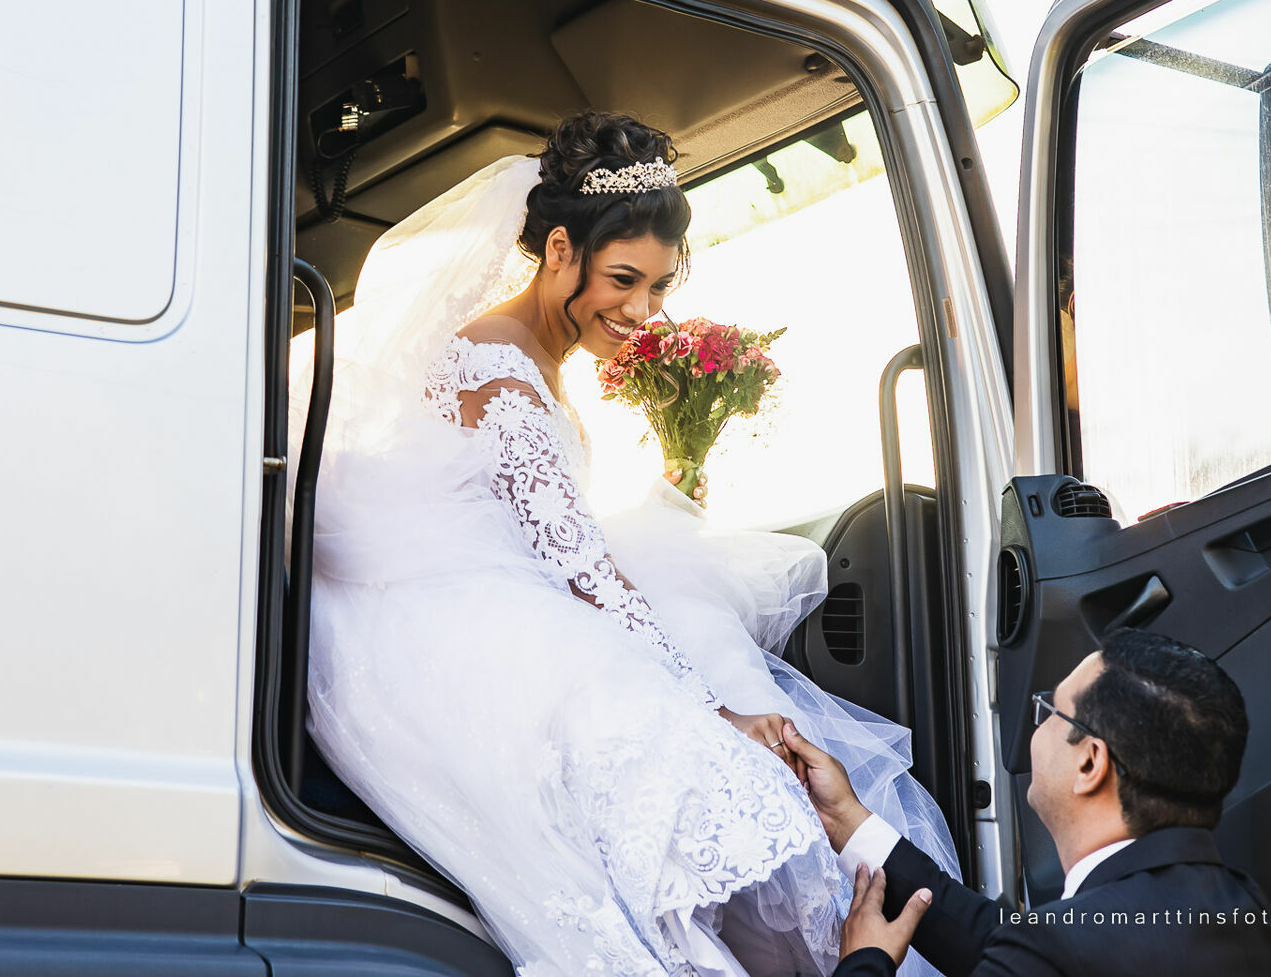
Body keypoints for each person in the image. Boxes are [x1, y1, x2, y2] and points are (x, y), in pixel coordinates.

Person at [305, 111, 958, 976]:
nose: (643, 311)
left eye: (660, 285)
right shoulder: (499, 370)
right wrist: (707, 708)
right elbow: (580, 573)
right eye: (624, 279)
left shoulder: (530, 353)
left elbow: (550, 530)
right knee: (707, 736)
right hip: (483, 629)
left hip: (525, 592)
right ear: (560, 250)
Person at [783, 628, 1271, 977]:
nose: (1038, 725)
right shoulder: (1246, 911)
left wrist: (865, 961)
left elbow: (1036, 950)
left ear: (1090, 764)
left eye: (1052, 711)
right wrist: (845, 819)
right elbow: (1001, 939)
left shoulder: (1058, 949)